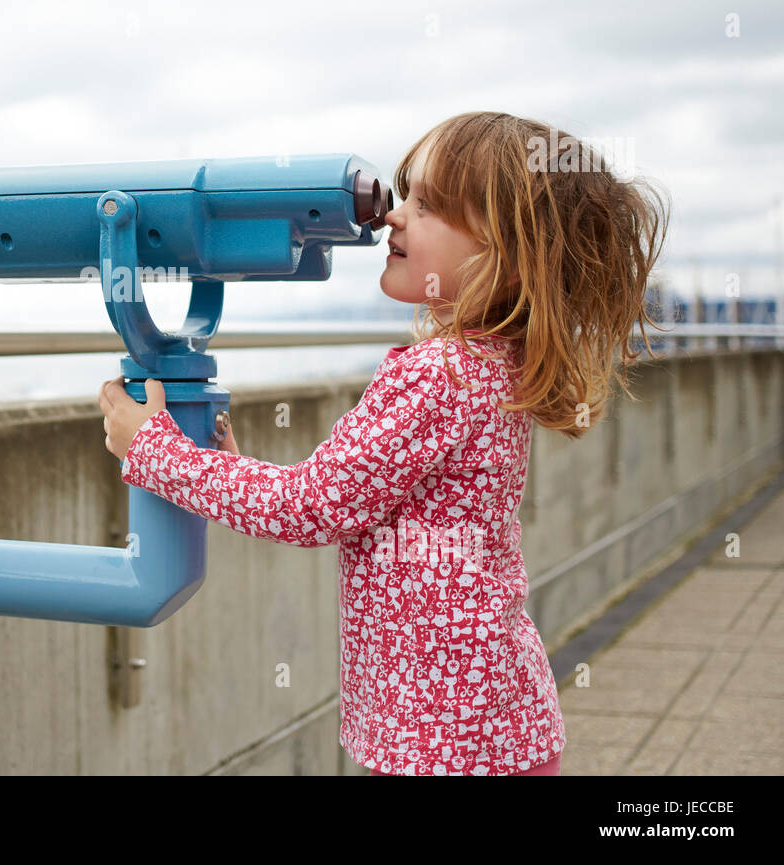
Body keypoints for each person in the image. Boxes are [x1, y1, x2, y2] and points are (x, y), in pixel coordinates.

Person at [98, 110, 670, 776]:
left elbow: (308, 508)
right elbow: (362, 497)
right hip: (491, 724)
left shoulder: (438, 373)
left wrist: (156, 453)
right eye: (406, 194)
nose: (394, 216)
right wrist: (225, 464)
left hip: (440, 739)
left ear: (508, 262)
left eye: (430, 206)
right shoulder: (493, 365)